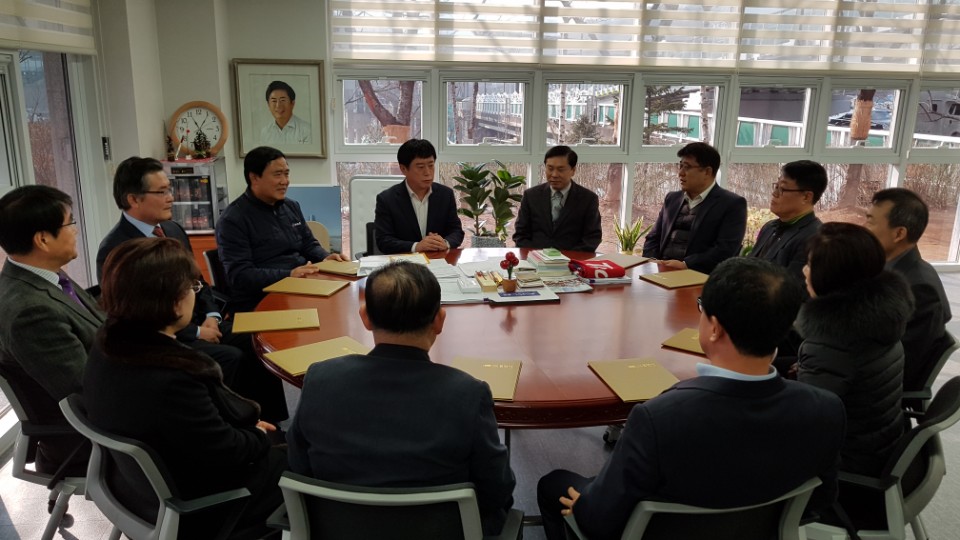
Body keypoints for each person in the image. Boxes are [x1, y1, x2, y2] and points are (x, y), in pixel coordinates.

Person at [537, 258, 845, 540]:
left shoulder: (659, 417)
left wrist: (586, 506)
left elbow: (598, 522)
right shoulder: (826, 409)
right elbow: (818, 499)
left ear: (715, 328)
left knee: (553, 484)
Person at [286, 261, 515, 535]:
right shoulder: (467, 393)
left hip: (337, 529)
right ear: (439, 320)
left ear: (365, 317)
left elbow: (299, 466)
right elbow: (496, 489)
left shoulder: (320, 379)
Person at [84, 237, 286, 538]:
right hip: (209, 502)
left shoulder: (107, 343)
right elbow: (227, 452)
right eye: (193, 287)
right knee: (311, 457)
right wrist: (256, 434)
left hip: (138, 486)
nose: (195, 293)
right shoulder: (173, 377)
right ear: (174, 301)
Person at [97, 156, 241, 382]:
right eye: (162, 192)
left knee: (253, 338)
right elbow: (135, 318)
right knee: (231, 357)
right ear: (133, 199)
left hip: (200, 320)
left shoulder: (172, 229)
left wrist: (212, 316)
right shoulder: (116, 249)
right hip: (164, 339)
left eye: (170, 189)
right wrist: (196, 332)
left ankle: (265, 406)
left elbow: (198, 281)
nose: (171, 198)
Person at [0, 185, 105, 475]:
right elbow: (86, 391)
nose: (76, 230)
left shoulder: (43, 277)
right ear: (43, 239)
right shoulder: (31, 311)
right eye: (70, 223)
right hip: (88, 441)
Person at [797, 222, 913, 477]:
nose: (804, 271)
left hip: (847, 466)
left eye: (810, 264)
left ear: (830, 276)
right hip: (878, 443)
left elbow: (805, 424)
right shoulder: (881, 317)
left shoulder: (832, 343)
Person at [217, 146, 345, 313]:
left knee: (339, 307)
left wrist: (325, 257)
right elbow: (240, 275)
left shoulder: (291, 206)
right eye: (278, 174)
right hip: (260, 301)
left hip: (299, 289)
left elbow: (308, 244)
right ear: (254, 177)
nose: (285, 181)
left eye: (286, 174)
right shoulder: (233, 219)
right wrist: (289, 275)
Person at [865, 188, 952, 394]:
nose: (864, 228)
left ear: (899, 234)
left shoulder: (919, 288)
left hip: (876, 393)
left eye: (871, 222)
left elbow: (900, 362)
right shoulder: (887, 268)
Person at [642, 142, 747, 273]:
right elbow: (653, 238)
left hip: (698, 276)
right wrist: (652, 261)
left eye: (687, 167)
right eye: (680, 166)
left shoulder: (732, 204)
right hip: (659, 271)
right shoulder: (672, 199)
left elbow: (725, 249)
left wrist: (686, 265)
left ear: (707, 172)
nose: (681, 173)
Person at [374, 139, 464, 254]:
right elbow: (384, 241)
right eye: (420, 167)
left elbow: (456, 231)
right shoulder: (387, 199)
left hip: (438, 260)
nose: (428, 172)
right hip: (404, 262)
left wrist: (445, 243)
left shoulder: (446, 195)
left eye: (431, 165)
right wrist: (416, 246)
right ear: (403, 169)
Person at [748, 160, 827, 284]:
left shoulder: (814, 238)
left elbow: (792, 288)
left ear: (806, 197)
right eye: (776, 187)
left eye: (782, 189)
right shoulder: (769, 227)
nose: (774, 193)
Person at [513, 145, 602, 252]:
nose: (554, 174)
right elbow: (520, 235)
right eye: (550, 168)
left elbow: (592, 238)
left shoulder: (588, 199)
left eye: (561, 169)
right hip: (535, 258)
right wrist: (536, 255)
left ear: (573, 170)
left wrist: (567, 257)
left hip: (572, 259)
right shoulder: (531, 196)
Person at [259, 80, 311, 144]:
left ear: (292, 103)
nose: (278, 106)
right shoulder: (265, 133)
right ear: (268, 105)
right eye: (274, 101)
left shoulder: (307, 130)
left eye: (282, 100)